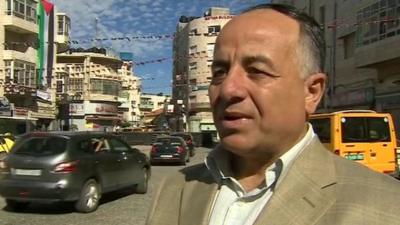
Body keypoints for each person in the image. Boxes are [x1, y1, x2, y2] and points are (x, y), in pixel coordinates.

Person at [146, 3, 400, 225]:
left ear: (311, 92)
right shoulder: (175, 187)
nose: (228, 89)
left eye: (256, 70)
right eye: (220, 72)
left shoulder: (386, 207)